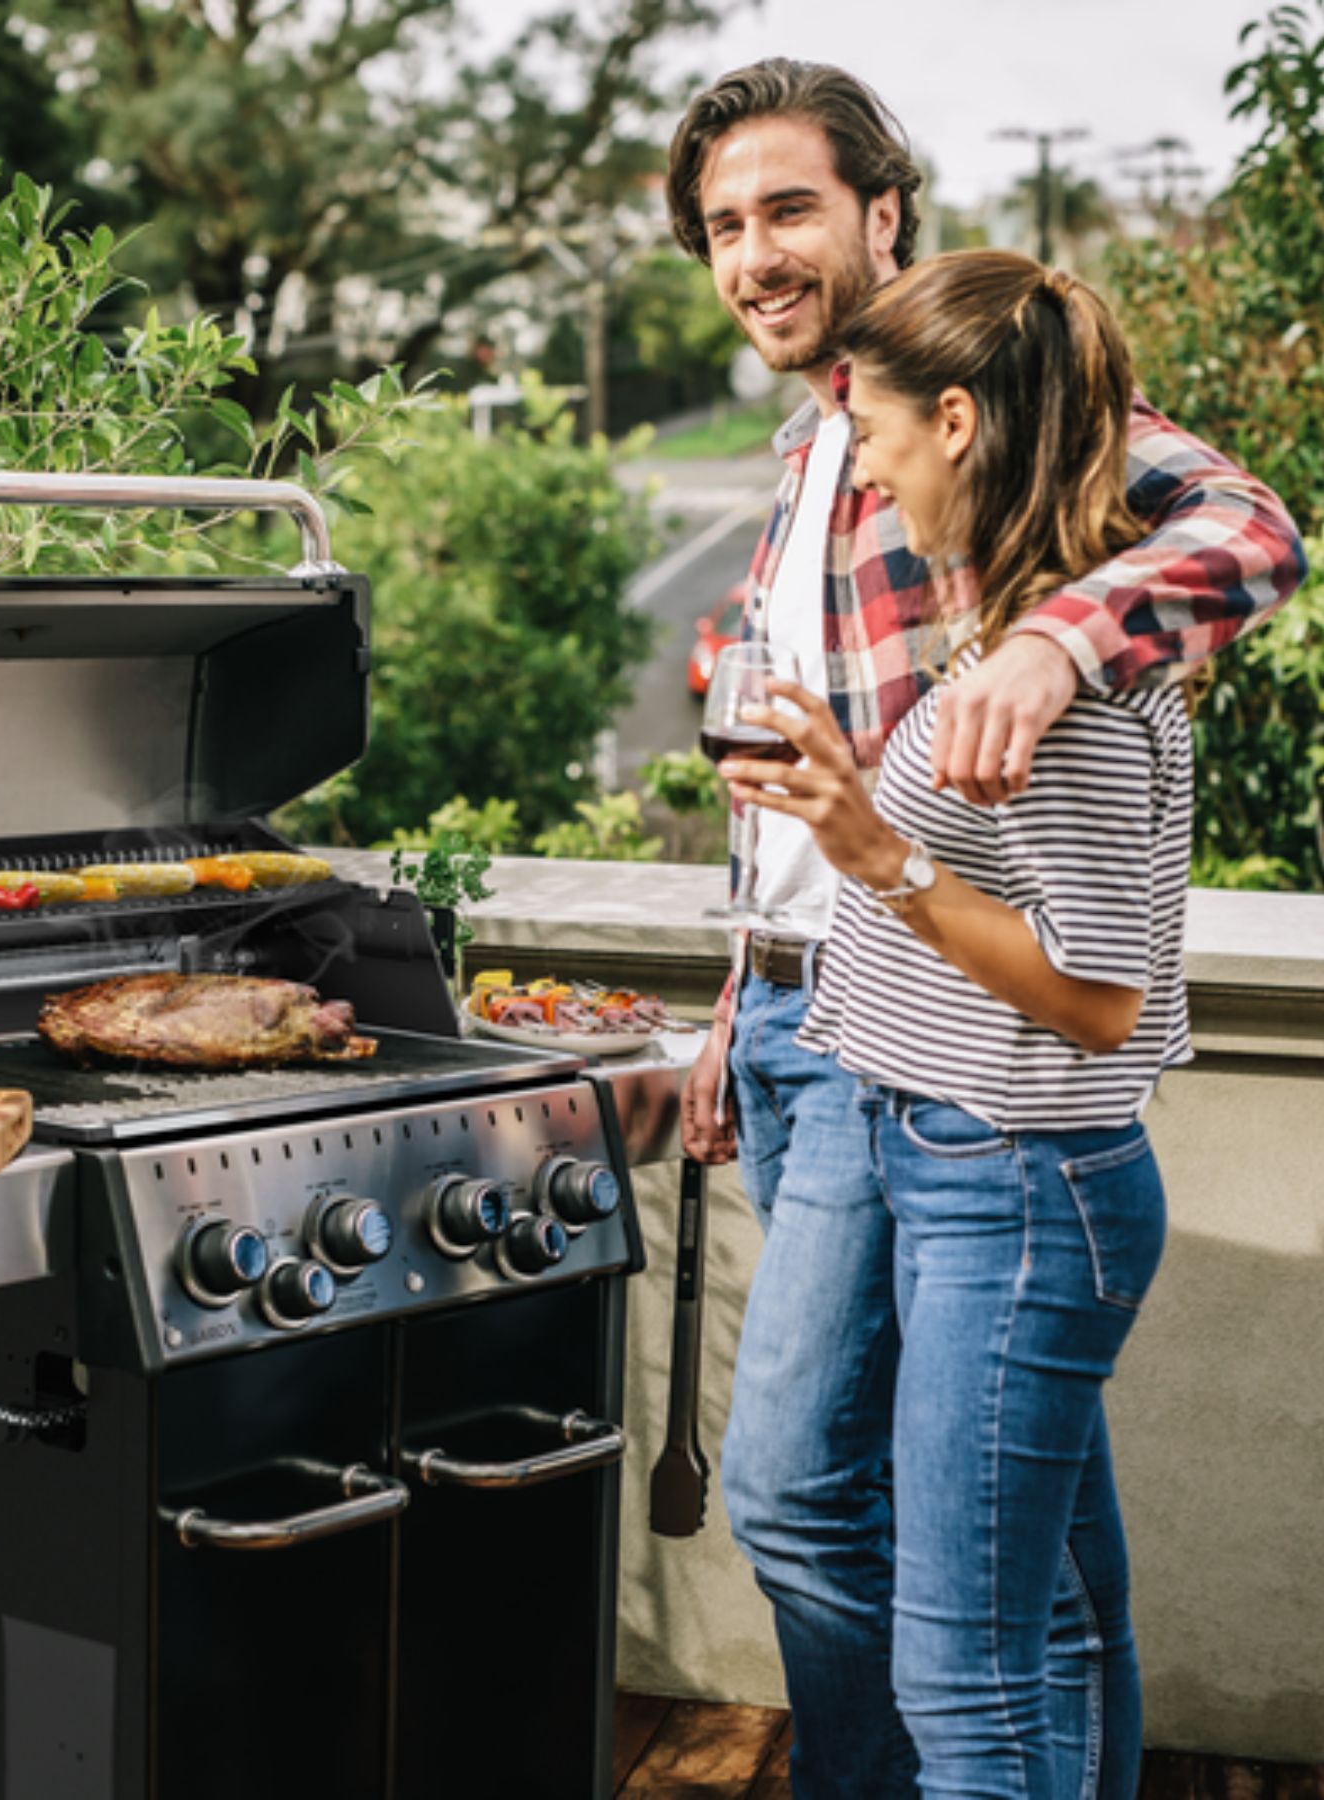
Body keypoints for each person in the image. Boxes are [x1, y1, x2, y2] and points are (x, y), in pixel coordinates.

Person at [663, 60, 1306, 1800]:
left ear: (885, 208)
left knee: (834, 1521)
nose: (755, 256)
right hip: (823, 1020)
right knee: (1035, 1560)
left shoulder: (987, 395)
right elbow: (802, 791)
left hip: (962, 1068)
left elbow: (1255, 526)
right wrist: (738, 996)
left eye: (789, 208)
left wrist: (1057, 643)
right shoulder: (812, 453)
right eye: (724, 226)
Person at [724, 247, 1189, 1797]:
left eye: (877, 433)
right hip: (962, 1165)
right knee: (1028, 1626)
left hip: (1022, 1187)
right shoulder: (998, 642)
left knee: (969, 1686)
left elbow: (1099, 997)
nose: (861, 459)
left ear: (961, 425)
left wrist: (882, 857)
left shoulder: (1065, 684)